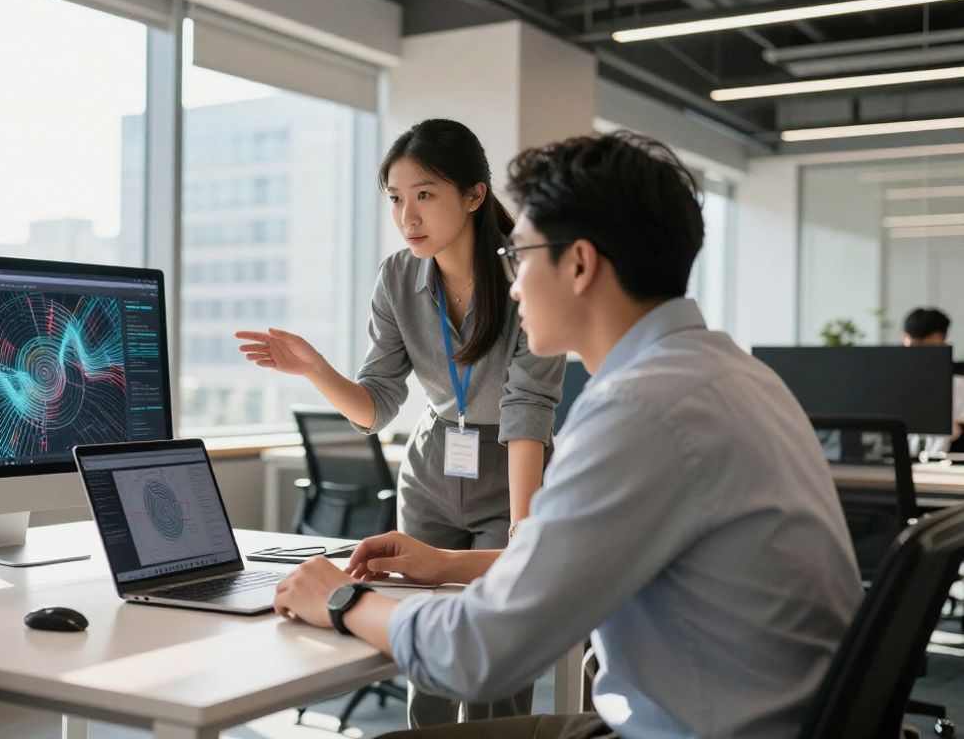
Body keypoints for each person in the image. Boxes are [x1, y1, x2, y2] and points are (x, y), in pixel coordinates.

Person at [271, 131, 863, 738]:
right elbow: (547, 573)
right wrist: (446, 562)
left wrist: (343, 601)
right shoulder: (730, 373)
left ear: (579, 263)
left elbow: (480, 651)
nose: (514, 282)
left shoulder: (639, 412)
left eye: (520, 256)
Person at [237, 119, 564, 727]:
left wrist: (524, 528)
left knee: (496, 657)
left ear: (473, 194)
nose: (407, 215)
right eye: (395, 198)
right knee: (422, 652)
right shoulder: (398, 277)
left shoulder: (527, 274)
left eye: (424, 194)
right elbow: (376, 403)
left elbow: (529, 408)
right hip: (432, 463)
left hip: (512, 463)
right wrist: (315, 368)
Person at [902, 307, 964, 456]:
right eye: (915, 345)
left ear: (942, 340)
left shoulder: (957, 381)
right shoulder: (893, 380)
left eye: (928, 346)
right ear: (906, 339)